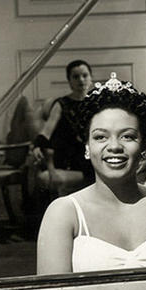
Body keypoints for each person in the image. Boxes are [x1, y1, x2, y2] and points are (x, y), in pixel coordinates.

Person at [36, 73, 146, 273]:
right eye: (100, 137)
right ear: (87, 146)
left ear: (143, 145)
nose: (114, 147)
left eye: (127, 136)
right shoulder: (63, 213)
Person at [31, 60, 95, 196]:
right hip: (69, 156)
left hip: (90, 152)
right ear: (69, 81)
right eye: (75, 77)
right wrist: (37, 145)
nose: (81, 80)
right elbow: (47, 130)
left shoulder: (97, 103)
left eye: (85, 75)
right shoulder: (62, 104)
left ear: (91, 78)